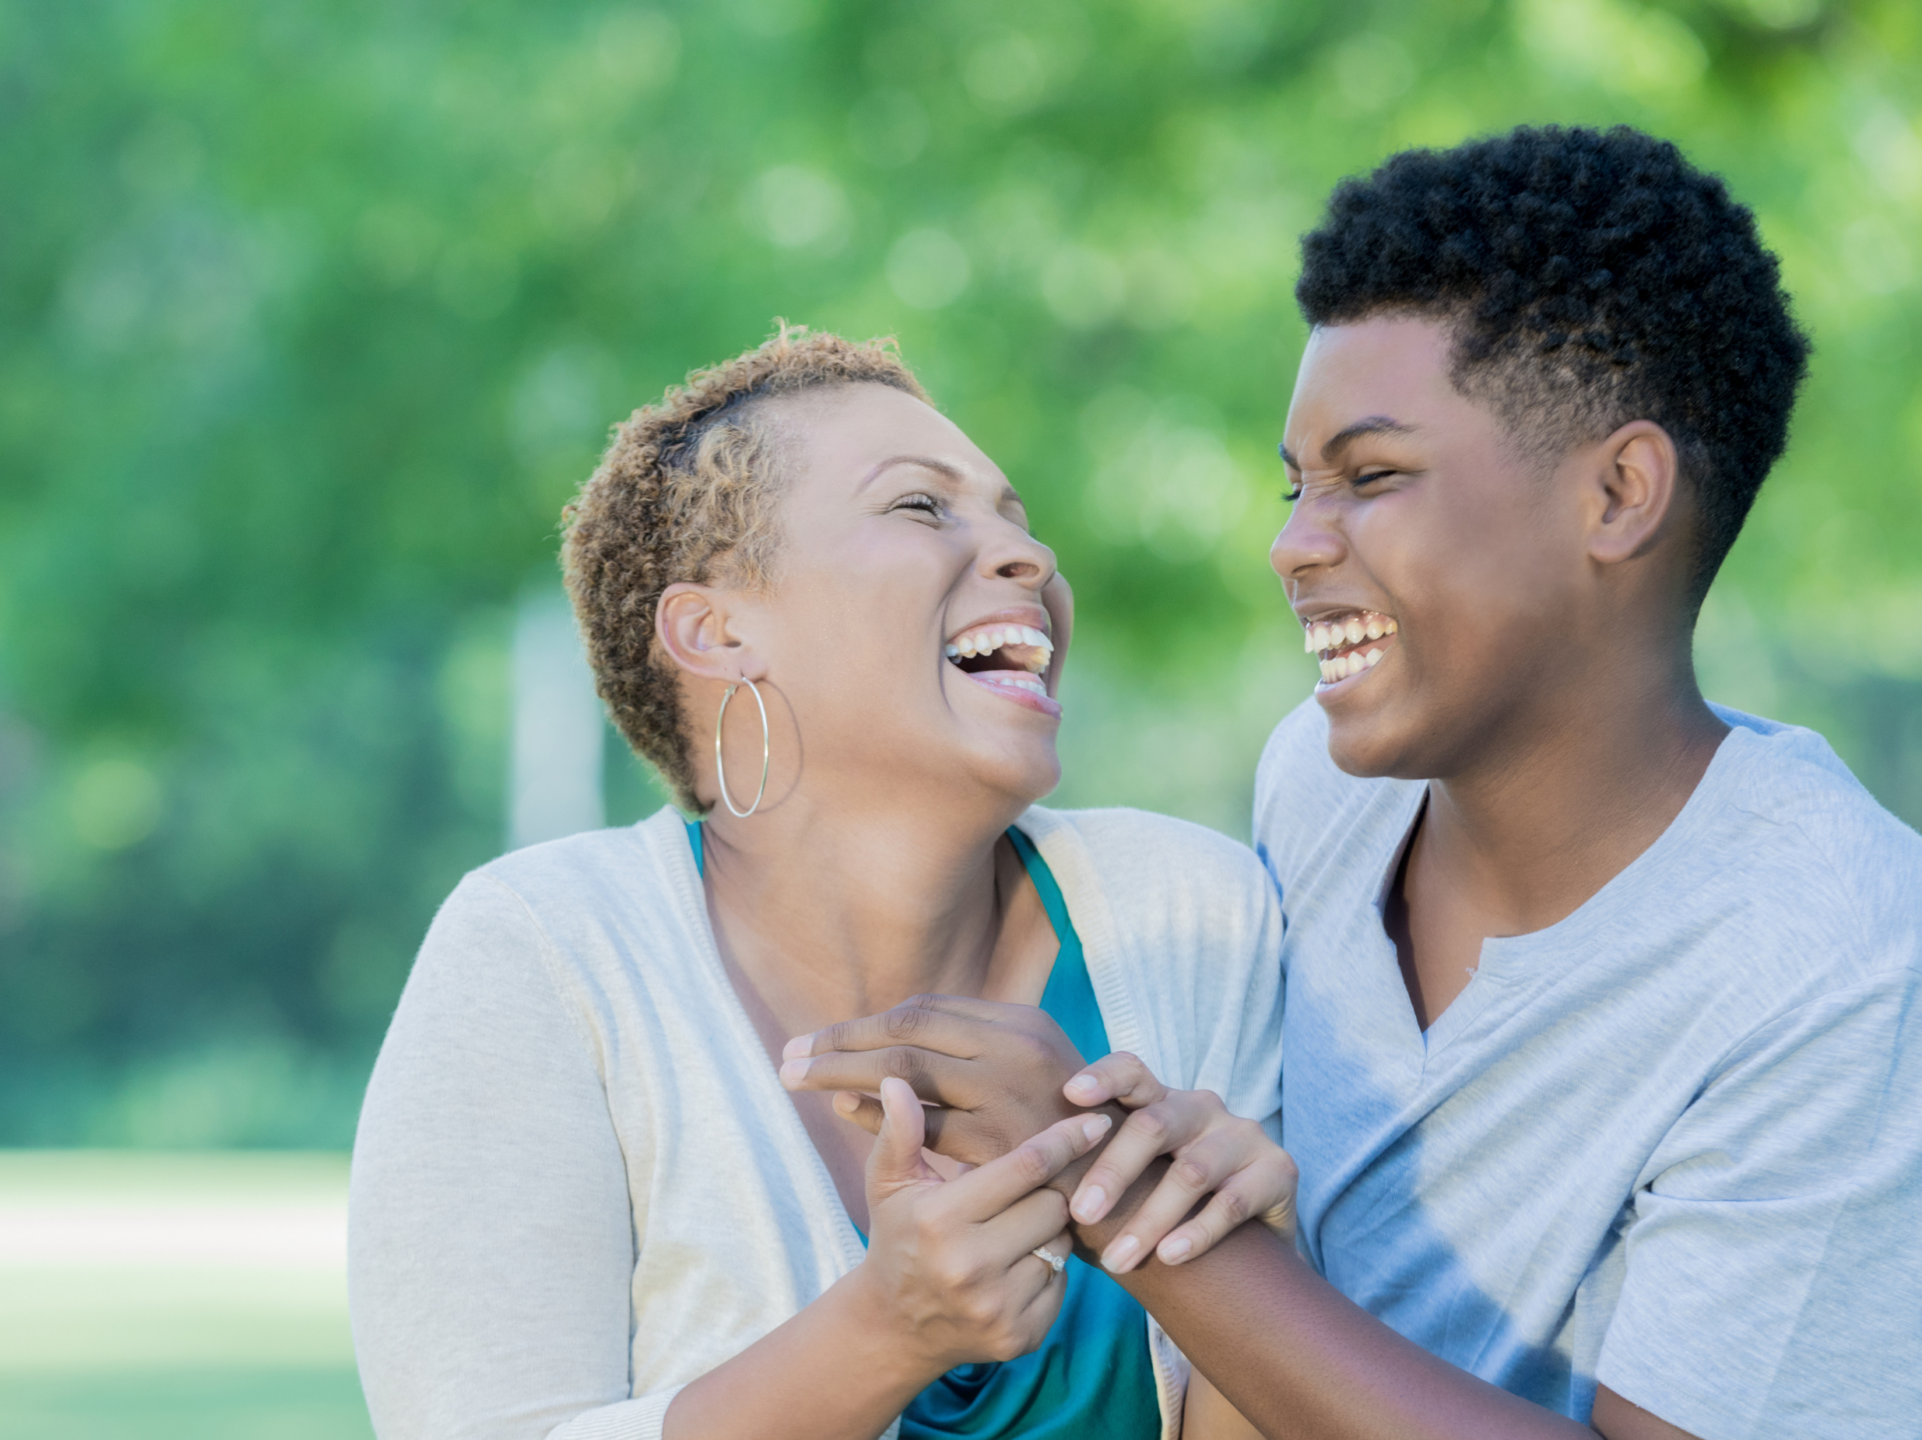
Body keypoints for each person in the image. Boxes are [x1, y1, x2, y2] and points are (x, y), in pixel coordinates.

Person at [783, 126, 1922, 1440]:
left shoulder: (1847, 966)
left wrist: (1128, 1201)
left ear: (1618, 493)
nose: (1291, 544)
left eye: (1372, 477)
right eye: (1296, 486)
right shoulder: (1322, 791)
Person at [348, 326, 1292, 1440]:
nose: (1025, 559)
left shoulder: (1190, 912)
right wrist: (880, 1338)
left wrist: (1249, 1272)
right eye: (920, 508)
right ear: (716, 631)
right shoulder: (545, 952)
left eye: (1017, 519)